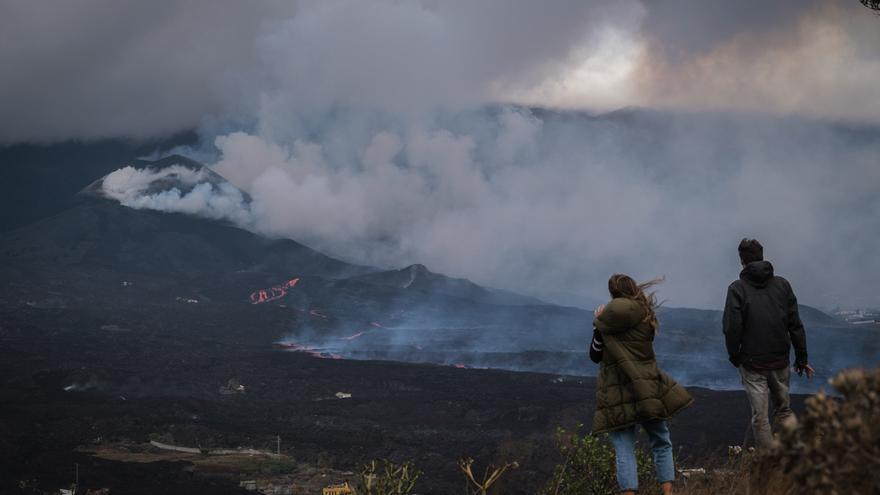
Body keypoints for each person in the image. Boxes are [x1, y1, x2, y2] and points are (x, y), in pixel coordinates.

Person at [590, 274, 693, 495]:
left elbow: (595, 355)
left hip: (617, 391)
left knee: (624, 449)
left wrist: (597, 325)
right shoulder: (646, 316)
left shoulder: (605, 322)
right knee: (661, 441)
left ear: (613, 294)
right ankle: (667, 492)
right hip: (647, 388)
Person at [723, 238, 813, 450]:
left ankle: (769, 464)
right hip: (780, 360)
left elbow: (732, 327)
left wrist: (735, 356)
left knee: (760, 416)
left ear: (741, 260)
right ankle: (792, 456)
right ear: (762, 256)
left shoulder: (737, 289)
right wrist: (801, 359)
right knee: (784, 409)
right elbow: (795, 324)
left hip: (753, 364)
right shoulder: (782, 285)